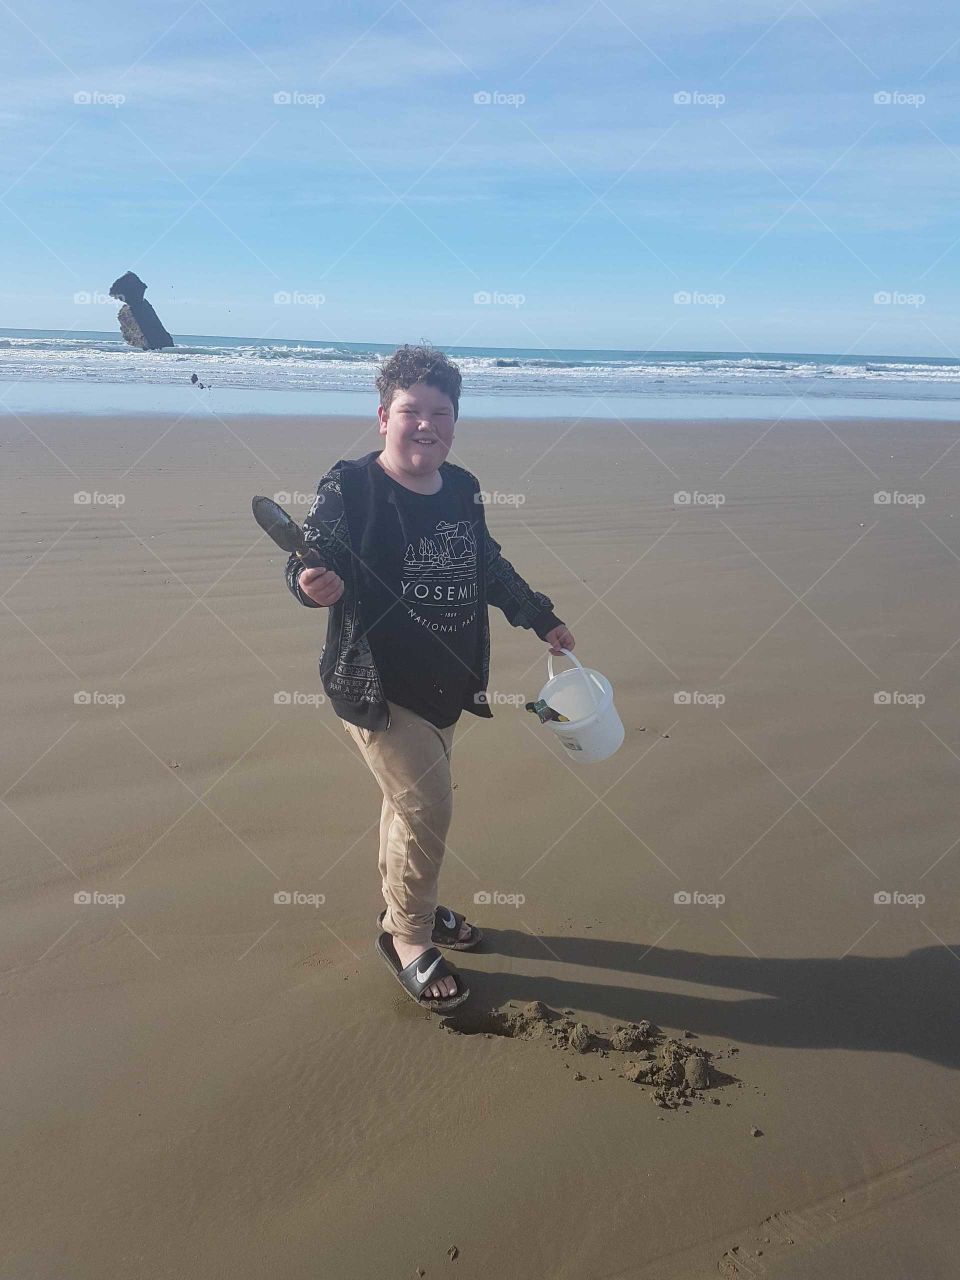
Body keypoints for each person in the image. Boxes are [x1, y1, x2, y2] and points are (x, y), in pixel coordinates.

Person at [285, 345, 575, 1012]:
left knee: (406, 808)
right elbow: (311, 557)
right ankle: (408, 937)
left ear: (454, 420)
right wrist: (310, 584)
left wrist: (538, 616)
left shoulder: (464, 487)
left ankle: (409, 905)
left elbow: (487, 562)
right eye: (411, 412)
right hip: (379, 689)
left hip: (450, 681)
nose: (426, 426)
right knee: (428, 806)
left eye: (440, 413)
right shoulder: (351, 486)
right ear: (383, 415)